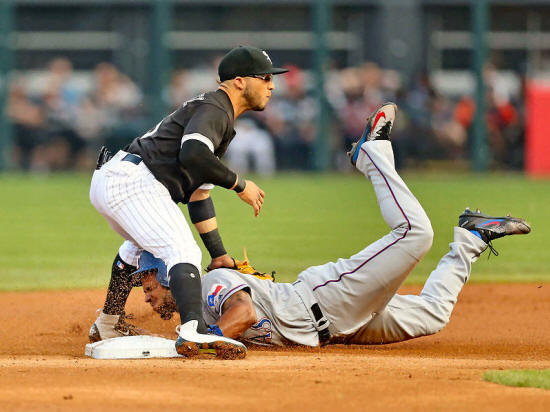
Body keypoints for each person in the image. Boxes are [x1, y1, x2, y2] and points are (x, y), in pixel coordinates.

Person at [132, 102, 531, 348]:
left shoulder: (210, 285)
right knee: (433, 314)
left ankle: (372, 153)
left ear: (169, 276)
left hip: (329, 300)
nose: (146, 297)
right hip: (342, 329)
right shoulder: (198, 316)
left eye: (147, 284)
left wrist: (209, 341)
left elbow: (244, 313)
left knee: (416, 234)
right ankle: (471, 237)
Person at [88, 45, 288, 359]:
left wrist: (219, 254)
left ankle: (108, 322)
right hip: (134, 182)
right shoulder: (216, 108)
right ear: (239, 81)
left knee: (137, 247)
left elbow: (199, 195)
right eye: (264, 77)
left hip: (120, 179)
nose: (271, 85)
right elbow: (193, 154)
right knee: (182, 251)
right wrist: (240, 184)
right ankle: (194, 330)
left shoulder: (218, 116)